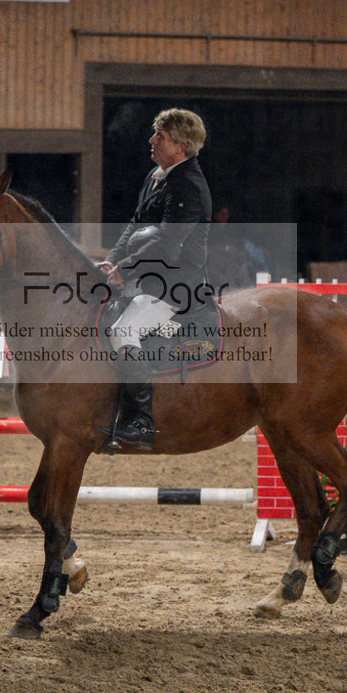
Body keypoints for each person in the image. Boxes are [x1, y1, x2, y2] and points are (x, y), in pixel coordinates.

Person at [99, 108, 212, 449]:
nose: (151, 141)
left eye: (159, 137)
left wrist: (126, 270)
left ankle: (142, 423)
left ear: (181, 146)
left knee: (124, 331)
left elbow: (167, 243)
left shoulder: (189, 185)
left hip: (176, 287)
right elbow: (134, 225)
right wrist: (110, 262)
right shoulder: (156, 176)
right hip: (148, 281)